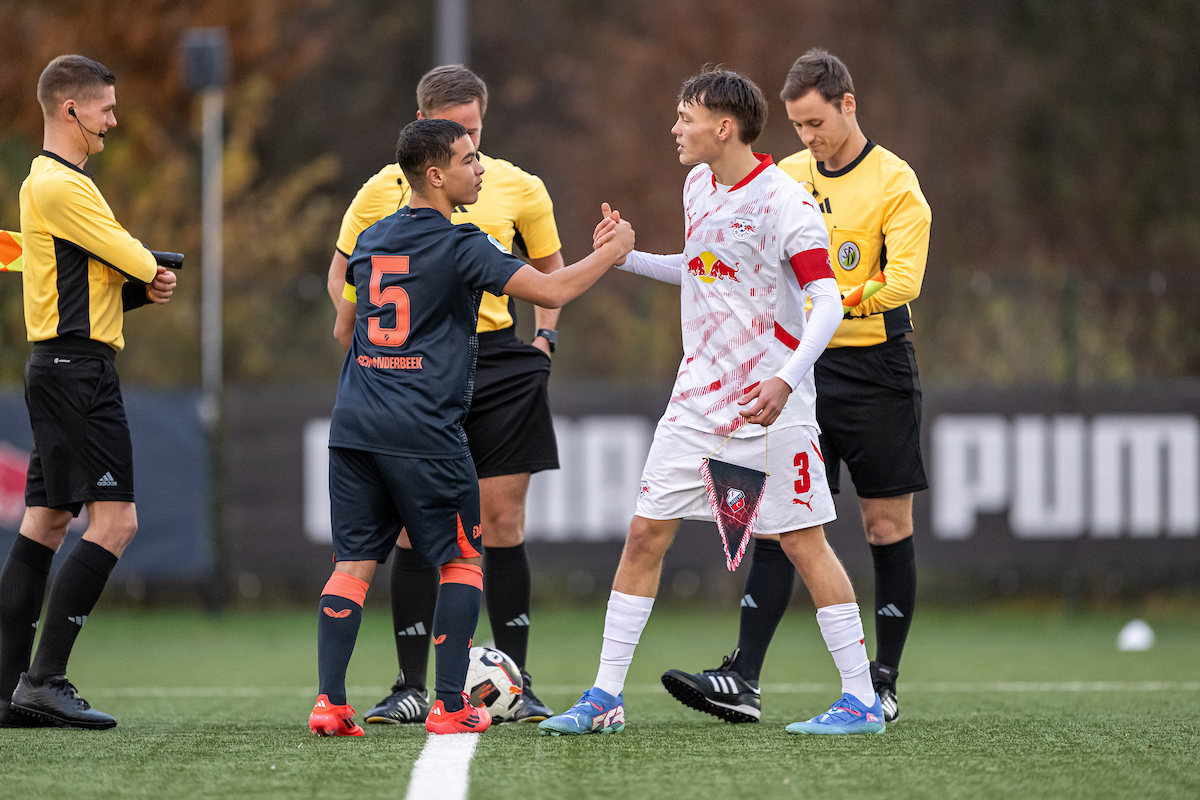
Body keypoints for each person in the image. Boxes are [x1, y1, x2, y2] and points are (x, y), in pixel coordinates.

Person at [539, 67, 885, 738]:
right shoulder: (699, 184)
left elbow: (828, 300)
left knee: (804, 543)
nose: (675, 128)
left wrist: (786, 378)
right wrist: (628, 258)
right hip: (696, 403)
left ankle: (861, 700)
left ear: (722, 127)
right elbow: (701, 268)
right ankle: (605, 695)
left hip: (770, 405)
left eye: (685, 117)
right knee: (644, 534)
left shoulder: (785, 201)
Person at [311, 118, 633, 736]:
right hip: (424, 430)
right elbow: (553, 285)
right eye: (469, 159)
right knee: (461, 558)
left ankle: (329, 703)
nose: (479, 169)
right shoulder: (463, 243)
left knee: (352, 565)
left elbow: (341, 329)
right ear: (436, 175)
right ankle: (452, 706)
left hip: (354, 424)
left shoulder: (374, 238)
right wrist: (612, 252)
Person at [662, 49, 931, 725]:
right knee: (780, 522)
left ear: (849, 104)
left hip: (875, 369)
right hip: (797, 373)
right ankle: (743, 677)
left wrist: (829, 299)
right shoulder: (784, 177)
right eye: (797, 125)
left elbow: (904, 282)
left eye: (816, 122)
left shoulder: (896, 182)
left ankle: (883, 679)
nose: (807, 137)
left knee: (884, 522)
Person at [327, 65, 563, 724]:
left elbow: (550, 273)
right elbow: (342, 272)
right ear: (427, 131)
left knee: (503, 519)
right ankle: (411, 684)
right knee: (411, 532)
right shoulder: (383, 190)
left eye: (476, 133)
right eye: (458, 135)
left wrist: (544, 345)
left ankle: (518, 679)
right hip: (418, 368)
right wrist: (362, 343)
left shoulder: (517, 184)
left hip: (498, 361)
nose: (472, 150)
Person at [0, 55, 177, 729]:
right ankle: (44, 679)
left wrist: (139, 285)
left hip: (63, 364)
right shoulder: (62, 185)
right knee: (116, 523)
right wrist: (148, 270)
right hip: (77, 374)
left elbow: (95, 281)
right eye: (105, 106)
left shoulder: (50, 184)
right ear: (70, 110)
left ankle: (7, 691)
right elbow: (130, 255)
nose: (114, 117)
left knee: (44, 523)